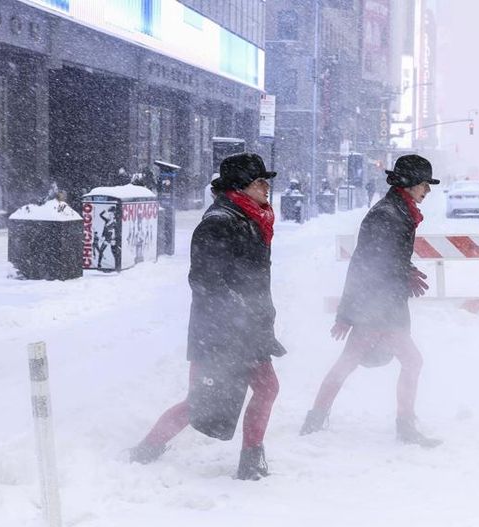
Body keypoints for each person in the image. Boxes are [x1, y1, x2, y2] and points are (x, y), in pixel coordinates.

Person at [129, 153, 286, 480]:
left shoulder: (252, 218)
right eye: (259, 181)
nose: (266, 187)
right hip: (220, 332)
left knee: (267, 388)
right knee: (199, 404)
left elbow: (253, 280)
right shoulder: (219, 222)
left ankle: (251, 460)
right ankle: (146, 450)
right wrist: (241, 314)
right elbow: (204, 281)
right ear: (240, 185)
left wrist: (259, 320)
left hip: (249, 330)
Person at [300, 154, 441, 447]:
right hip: (377, 307)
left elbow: (389, 257)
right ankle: (404, 426)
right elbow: (365, 263)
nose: (428, 190)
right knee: (408, 361)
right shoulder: (387, 214)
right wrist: (346, 314)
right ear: (410, 183)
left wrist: (406, 270)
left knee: (353, 362)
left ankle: (316, 418)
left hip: (382, 304)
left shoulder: (399, 210)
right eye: (425, 184)